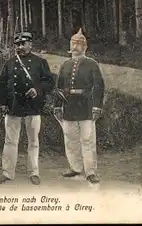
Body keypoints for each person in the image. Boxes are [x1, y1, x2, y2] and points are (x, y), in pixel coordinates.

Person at [0, 31, 55, 185]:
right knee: (10, 141)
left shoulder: (40, 62)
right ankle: (7, 173)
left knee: (33, 141)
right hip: (13, 106)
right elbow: (1, 85)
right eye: (18, 44)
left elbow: (49, 82)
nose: (20, 47)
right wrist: (2, 103)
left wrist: (38, 90)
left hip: (33, 106)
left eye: (23, 44)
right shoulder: (9, 63)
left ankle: (34, 172)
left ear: (30, 44)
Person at [53, 28, 105, 184]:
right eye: (73, 43)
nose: (75, 47)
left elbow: (99, 86)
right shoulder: (65, 65)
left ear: (85, 47)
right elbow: (59, 86)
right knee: (70, 138)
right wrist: (57, 106)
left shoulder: (92, 64)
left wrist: (97, 107)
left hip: (86, 106)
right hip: (69, 106)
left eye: (79, 44)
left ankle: (90, 171)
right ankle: (75, 168)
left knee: (88, 139)